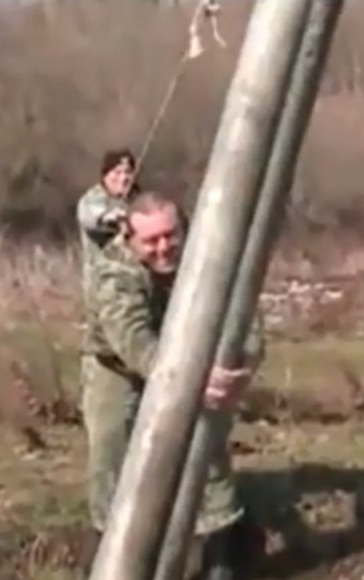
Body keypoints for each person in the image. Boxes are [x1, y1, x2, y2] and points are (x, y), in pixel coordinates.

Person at [81, 190, 266, 579]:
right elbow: (133, 341)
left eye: (171, 235)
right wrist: (190, 378)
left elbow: (247, 319)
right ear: (130, 239)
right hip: (119, 368)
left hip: (191, 360)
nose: (164, 247)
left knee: (206, 444)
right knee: (113, 444)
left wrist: (241, 369)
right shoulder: (113, 272)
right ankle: (108, 555)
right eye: (151, 240)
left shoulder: (210, 254)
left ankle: (223, 551)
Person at [77, 148, 140, 288]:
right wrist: (108, 217)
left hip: (136, 282)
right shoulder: (92, 199)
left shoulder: (139, 199)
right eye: (117, 172)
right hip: (103, 285)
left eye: (128, 172)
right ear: (105, 175)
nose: (123, 178)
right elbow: (90, 219)